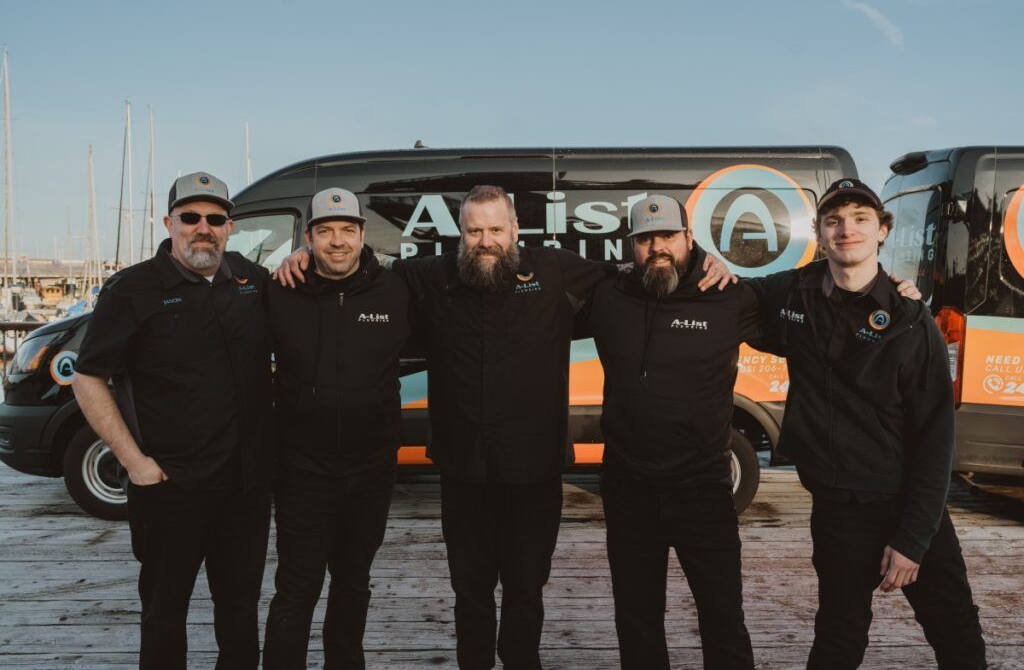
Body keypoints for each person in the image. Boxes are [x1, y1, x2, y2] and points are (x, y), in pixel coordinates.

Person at [276, 184, 731, 669]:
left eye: (496, 229)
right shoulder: (429, 276)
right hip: (463, 473)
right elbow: (362, 270)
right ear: (461, 233)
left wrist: (709, 262)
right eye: (475, 231)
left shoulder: (556, 270)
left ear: (515, 229)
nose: (486, 241)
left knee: (525, 591)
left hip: (534, 473)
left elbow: (639, 271)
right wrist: (301, 259)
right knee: (469, 593)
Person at [753, 178, 986, 668]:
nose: (847, 229)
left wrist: (913, 539)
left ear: (882, 230)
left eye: (861, 219)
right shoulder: (792, 293)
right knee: (839, 638)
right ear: (819, 233)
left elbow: (935, 438)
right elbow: (725, 296)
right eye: (834, 220)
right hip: (837, 508)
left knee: (958, 635)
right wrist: (700, 263)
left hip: (905, 501)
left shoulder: (909, 318)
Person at [72, 172, 274, 669]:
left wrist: (299, 259)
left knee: (240, 612)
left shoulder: (252, 280)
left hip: (244, 488)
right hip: (169, 488)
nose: (203, 228)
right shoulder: (132, 289)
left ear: (230, 227)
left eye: (215, 219)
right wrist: (134, 462)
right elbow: (88, 378)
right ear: (169, 223)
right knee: (164, 614)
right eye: (190, 217)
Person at [584, 195, 760, 669]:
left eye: (667, 236)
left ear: (688, 238)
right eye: (645, 239)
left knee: (723, 617)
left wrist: (885, 283)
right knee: (637, 619)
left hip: (702, 488)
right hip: (628, 489)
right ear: (631, 246)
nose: (656, 247)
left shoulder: (728, 295)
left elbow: (803, 298)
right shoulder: (608, 295)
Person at [262, 188, 412, 668]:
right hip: (302, 471)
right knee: (297, 586)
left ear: (363, 235)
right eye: (325, 231)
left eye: (348, 229)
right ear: (308, 238)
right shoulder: (278, 291)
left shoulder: (396, 290)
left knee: (352, 583)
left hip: (370, 472)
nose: (338, 241)